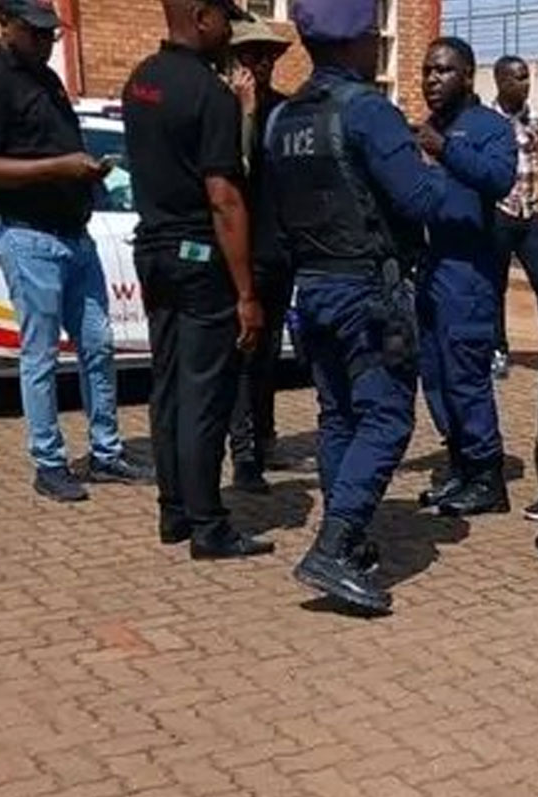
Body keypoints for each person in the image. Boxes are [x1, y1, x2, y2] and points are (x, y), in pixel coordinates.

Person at [260, 0, 452, 614]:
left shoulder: (282, 119)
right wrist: (441, 165)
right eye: (373, 37)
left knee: (339, 417)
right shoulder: (368, 112)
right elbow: (420, 200)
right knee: (387, 418)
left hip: (312, 289)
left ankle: (349, 536)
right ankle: (334, 546)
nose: (377, 47)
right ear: (354, 44)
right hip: (367, 292)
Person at [0, 0, 154, 502]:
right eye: (36, 33)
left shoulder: (45, 79)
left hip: (75, 234)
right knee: (41, 355)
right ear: (7, 25)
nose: (46, 43)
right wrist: (59, 168)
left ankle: (106, 452)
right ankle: (48, 462)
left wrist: (85, 169)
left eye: (51, 34)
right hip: (28, 237)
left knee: (98, 344)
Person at [121, 0, 270, 560]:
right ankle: (209, 525)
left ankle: (174, 511)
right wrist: (246, 293)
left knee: (168, 385)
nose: (231, 30)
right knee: (205, 392)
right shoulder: (211, 95)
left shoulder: (140, 81)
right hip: (199, 257)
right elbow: (224, 199)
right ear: (203, 17)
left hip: (153, 250)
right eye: (227, 18)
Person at [413, 38, 517, 517]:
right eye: (427, 71)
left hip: (467, 272)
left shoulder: (489, 128)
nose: (432, 80)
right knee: (435, 376)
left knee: (465, 376)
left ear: (468, 75)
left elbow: (500, 179)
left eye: (443, 71)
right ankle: (460, 467)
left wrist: (446, 151)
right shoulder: (426, 129)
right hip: (428, 269)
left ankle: (488, 478)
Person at [223, 16, 297, 494]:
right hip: (241, 255)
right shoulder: (224, 111)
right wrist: (245, 113)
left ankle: (265, 438)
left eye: (268, 56)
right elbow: (236, 173)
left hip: (279, 251)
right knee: (245, 356)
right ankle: (244, 452)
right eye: (252, 56)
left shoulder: (285, 112)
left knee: (268, 354)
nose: (262, 64)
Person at [488, 54, 538, 377]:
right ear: (501, 82)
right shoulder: (487, 121)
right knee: (494, 285)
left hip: (531, 215)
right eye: (518, 78)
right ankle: (498, 350)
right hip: (499, 214)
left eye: (527, 76)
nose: (526, 83)